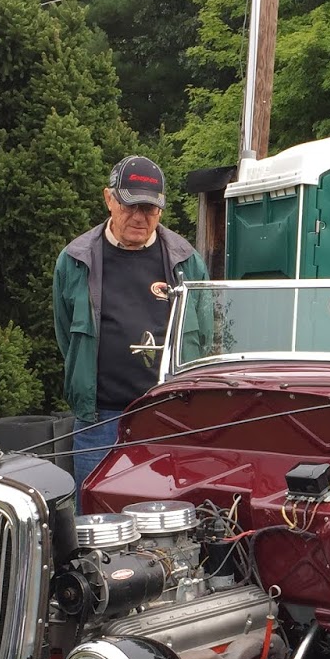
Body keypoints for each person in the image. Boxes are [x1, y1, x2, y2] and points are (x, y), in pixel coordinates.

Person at [54, 155, 209, 497]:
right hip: (100, 422)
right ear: (109, 199)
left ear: (161, 210)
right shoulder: (75, 260)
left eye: (149, 209)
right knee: (96, 519)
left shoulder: (186, 261)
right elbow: (66, 334)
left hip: (168, 419)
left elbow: (206, 337)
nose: (139, 217)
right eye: (130, 205)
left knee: (169, 515)